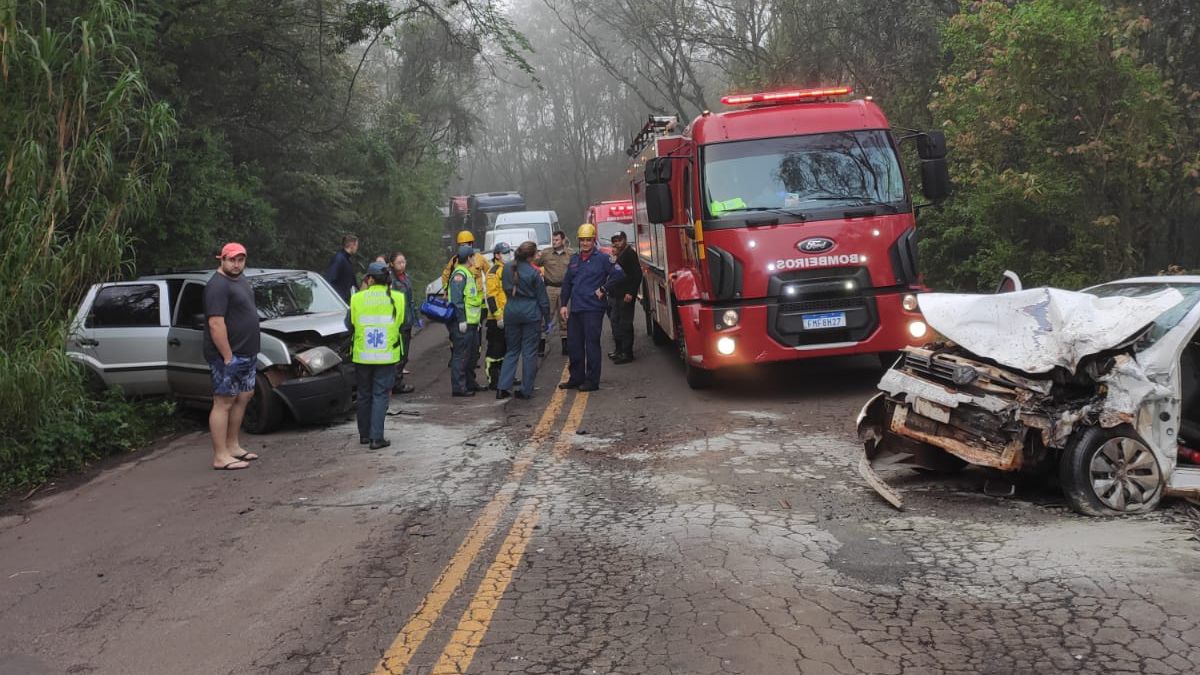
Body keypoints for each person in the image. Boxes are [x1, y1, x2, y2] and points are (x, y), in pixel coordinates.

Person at [204, 242, 261, 470]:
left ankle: (232, 446)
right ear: (222, 259)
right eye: (232, 260)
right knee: (223, 402)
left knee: (243, 396)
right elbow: (215, 324)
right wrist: (228, 357)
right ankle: (220, 456)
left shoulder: (241, 279)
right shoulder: (217, 286)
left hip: (247, 352)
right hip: (228, 355)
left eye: (240, 260)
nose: (236, 264)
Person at [346, 261, 406, 449]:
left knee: (364, 394)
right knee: (380, 394)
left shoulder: (357, 299)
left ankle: (364, 435)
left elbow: (349, 324)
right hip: (386, 356)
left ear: (370, 279)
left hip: (362, 355)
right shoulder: (398, 298)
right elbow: (404, 323)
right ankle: (376, 438)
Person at [559, 223, 624, 392]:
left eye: (588, 240)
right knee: (574, 345)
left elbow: (619, 274)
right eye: (582, 240)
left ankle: (592, 381)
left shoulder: (603, 258)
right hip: (576, 309)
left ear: (593, 240)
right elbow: (567, 283)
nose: (585, 243)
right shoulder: (574, 259)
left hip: (593, 309)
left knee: (591, 345)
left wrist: (604, 289)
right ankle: (576, 378)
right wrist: (563, 304)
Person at [497, 241, 551, 400]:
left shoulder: (507, 268)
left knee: (512, 350)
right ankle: (526, 389)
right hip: (530, 313)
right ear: (531, 256)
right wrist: (547, 319)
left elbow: (505, 288)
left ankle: (502, 386)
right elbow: (543, 300)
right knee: (529, 352)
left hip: (511, 310)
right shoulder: (534, 273)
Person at [448, 244, 484, 397]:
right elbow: (457, 300)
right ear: (469, 258)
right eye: (473, 256)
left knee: (471, 355)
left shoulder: (467, 273)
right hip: (462, 323)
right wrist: (462, 320)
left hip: (472, 322)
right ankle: (459, 387)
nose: (475, 259)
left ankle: (470, 382)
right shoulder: (459, 275)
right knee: (461, 355)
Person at [534, 230, 573, 355]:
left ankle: (565, 344)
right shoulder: (546, 253)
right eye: (553, 240)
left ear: (563, 240)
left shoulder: (570, 254)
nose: (554, 242)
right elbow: (533, 264)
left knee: (565, 317)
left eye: (557, 240)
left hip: (565, 288)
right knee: (546, 315)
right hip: (550, 288)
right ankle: (541, 344)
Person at [607, 230, 643, 364]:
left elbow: (637, 274)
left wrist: (631, 292)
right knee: (615, 321)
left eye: (619, 240)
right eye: (614, 241)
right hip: (617, 294)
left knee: (625, 323)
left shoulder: (629, 254)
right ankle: (619, 350)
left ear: (625, 240)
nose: (617, 243)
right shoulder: (619, 254)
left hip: (626, 295)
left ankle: (627, 353)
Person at [484, 242, 513, 389]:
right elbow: (491, 297)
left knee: (508, 350)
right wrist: (498, 316)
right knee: (495, 351)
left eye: (508, 252)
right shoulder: (493, 272)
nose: (508, 255)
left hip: (509, 316)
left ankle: (506, 377)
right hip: (496, 319)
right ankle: (493, 379)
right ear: (497, 255)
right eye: (505, 253)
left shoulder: (508, 269)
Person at [389, 252, 419, 394]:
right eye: (399, 262)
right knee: (399, 354)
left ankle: (397, 380)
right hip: (397, 322)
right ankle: (395, 383)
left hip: (407, 319)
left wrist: (415, 317)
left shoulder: (405, 277)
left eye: (404, 261)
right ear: (392, 264)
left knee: (404, 354)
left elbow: (410, 300)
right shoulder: (391, 280)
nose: (402, 264)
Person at [324, 234, 359, 302]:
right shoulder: (339, 259)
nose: (357, 248)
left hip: (344, 301)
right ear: (352, 245)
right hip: (337, 302)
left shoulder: (346, 260)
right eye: (356, 245)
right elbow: (330, 280)